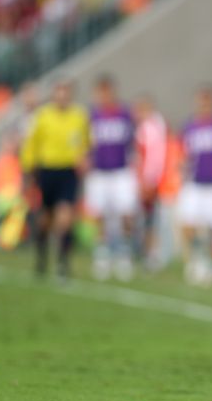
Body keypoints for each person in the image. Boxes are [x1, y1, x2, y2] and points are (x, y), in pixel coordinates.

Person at [20, 79, 90, 278]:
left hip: (68, 171)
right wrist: (29, 170)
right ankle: (42, 258)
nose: (62, 96)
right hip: (47, 170)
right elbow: (31, 145)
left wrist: (84, 158)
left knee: (65, 218)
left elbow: (86, 143)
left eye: (65, 92)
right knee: (45, 219)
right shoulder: (42, 116)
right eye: (59, 91)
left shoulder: (79, 116)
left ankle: (62, 263)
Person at [178, 85, 212, 286]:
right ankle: (194, 258)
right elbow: (183, 153)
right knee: (188, 224)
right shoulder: (189, 126)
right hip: (194, 182)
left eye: (208, 100)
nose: (205, 105)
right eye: (202, 100)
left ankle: (208, 261)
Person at [85, 75, 137, 280]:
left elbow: (133, 142)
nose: (105, 95)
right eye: (101, 91)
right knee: (99, 214)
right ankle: (103, 252)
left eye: (108, 91)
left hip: (121, 170)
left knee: (126, 213)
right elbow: (84, 143)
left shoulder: (124, 114)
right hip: (99, 172)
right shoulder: (91, 115)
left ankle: (124, 251)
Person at [133, 93, 169, 269]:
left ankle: (150, 253)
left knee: (150, 218)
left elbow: (153, 157)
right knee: (148, 217)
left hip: (151, 179)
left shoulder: (151, 127)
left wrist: (147, 180)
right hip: (152, 178)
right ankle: (147, 252)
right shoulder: (152, 126)